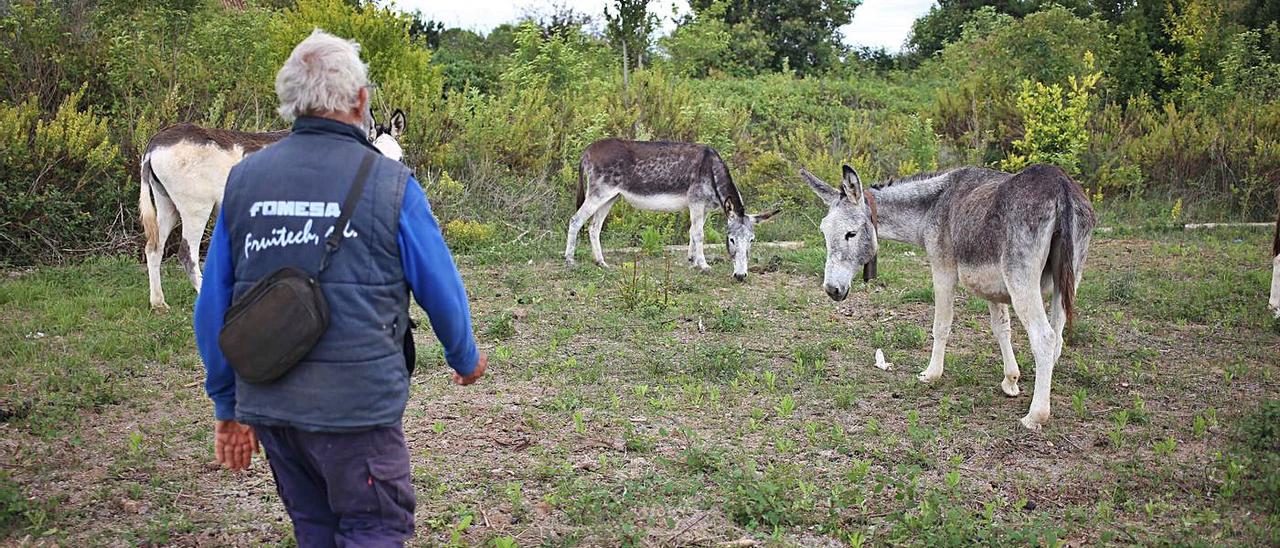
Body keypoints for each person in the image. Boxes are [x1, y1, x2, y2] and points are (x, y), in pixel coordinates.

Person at [193, 29, 486, 547]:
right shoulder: (392, 184)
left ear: (291, 103)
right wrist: (463, 356)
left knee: (316, 528)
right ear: (361, 100)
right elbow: (439, 283)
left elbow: (214, 303)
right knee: (375, 526)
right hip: (357, 411)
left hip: (273, 402)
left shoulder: (244, 181)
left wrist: (227, 404)